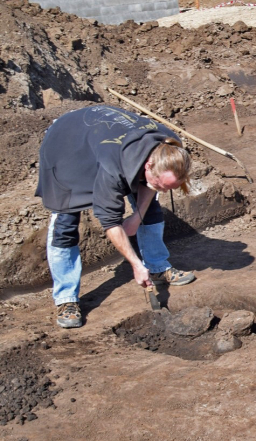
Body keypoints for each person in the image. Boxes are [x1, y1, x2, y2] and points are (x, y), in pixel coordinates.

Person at [36, 105, 197, 329]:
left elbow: (151, 185)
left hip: (103, 141)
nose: (164, 190)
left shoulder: (168, 147)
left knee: (150, 209)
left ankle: (158, 266)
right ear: (148, 165)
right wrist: (135, 264)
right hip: (67, 149)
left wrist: (136, 218)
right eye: (161, 184)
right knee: (65, 223)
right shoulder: (114, 168)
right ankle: (66, 299)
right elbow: (110, 222)